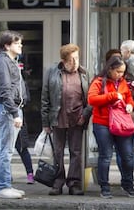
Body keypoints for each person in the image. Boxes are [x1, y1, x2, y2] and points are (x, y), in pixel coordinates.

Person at [41, 43, 92, 196]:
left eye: (76, 58)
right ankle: (57, 183)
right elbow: (45, 98)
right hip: (58, 117)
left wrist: (85, 114)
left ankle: (74, 183)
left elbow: (90, 98)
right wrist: (45, 122)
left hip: (77, 118)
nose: (75, 63)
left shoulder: (84, 73)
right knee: (58, 152)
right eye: (71, 60)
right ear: (63, 61)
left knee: (76, 152)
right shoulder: (52, 72)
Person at [88, 55, 134, 199]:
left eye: (122, 72)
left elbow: (128, 96)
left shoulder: (122, 82)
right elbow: (92, 99)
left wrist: (130, 105)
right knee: (106, 156)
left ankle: (128, 184)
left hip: (122, 122)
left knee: (128, 156)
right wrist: (112, 96)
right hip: (102, 123)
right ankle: (104, 187)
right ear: (110, 69)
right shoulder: (98, 81)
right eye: (118, 72)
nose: (120, 75)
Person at [0, 30, 28, 199]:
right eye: (17, 43)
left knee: (7, 149)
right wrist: (15, 114)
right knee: (5, 150)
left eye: (20, 42)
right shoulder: (2, 62)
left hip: (9, 108)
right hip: (6, 110)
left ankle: (6, 185)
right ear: (7, 45)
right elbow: (5, 91)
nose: (20, 45)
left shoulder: (10, 61)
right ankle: (2, 187)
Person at [120, 40, 134, 171]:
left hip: (131, 102)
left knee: (132, 132)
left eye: (122, 51)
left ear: (127, 51)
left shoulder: (128, 64)